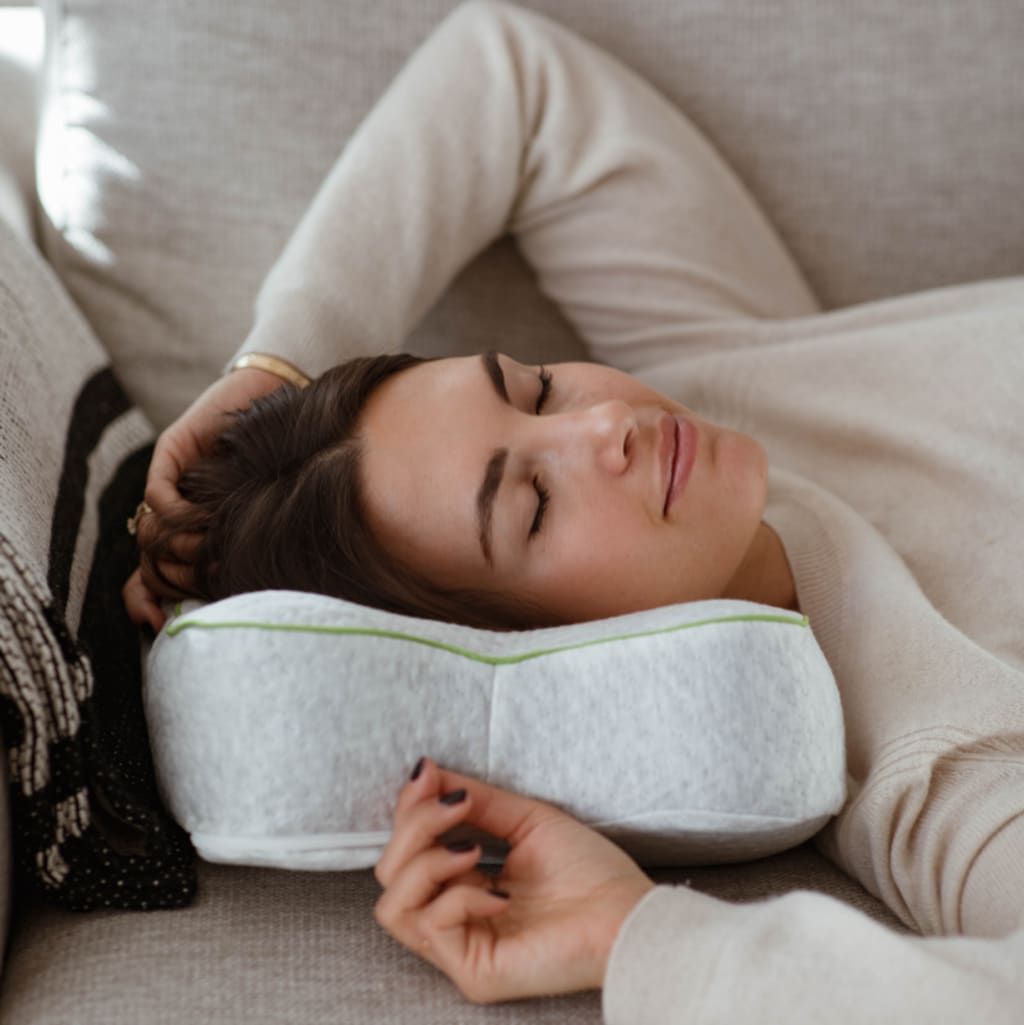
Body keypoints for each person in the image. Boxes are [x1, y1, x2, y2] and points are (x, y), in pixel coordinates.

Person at [124, 1, 1024, 1020]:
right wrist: (633, 935)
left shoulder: (718, 377)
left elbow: (511, 74)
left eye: (537, 385)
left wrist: (275, 364)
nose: (609, 425)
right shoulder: (942, 754)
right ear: (552, 654)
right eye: (535, 503)